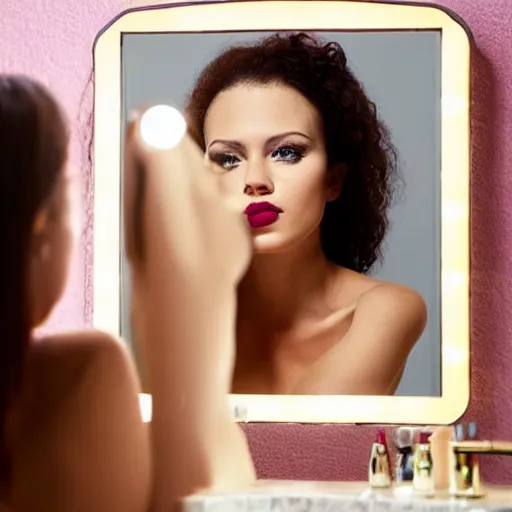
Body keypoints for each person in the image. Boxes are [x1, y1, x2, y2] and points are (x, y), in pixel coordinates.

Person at [0, 74, 254, 512]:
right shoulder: (71, 379)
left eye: (287, 151)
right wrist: (191, 317)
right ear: (41, 223)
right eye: (71, 185)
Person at [185, 32, 428, 396]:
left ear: (333, 179)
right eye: (228, 159)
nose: (255, 182)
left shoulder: (386, 310)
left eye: (286, 153)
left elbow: (305, 443)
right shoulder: (192, 317)